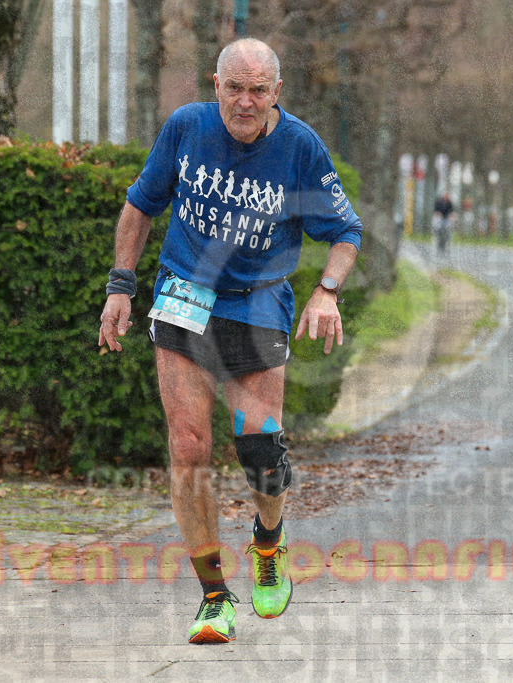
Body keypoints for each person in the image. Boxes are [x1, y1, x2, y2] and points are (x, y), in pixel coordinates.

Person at [97, 38, 362, 644]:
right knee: (188, 446)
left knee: (259, 447)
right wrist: (121, 286)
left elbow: (345, 230)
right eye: (234, 88)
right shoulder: (186, 128)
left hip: (259, 301)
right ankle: (214, 597)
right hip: (184, 295)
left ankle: (269, 543)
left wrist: (326, 291)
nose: (245, 102)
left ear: (277, 92)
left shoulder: (298, 146)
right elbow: (140, 204)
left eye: (258, 90)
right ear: (215, 83)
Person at [432, 191, 455, 255]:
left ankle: (447, 237)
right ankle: (437, 233)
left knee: (448, 226)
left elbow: (451, 212)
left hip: (446, 219)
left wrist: (452, 217)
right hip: (439, 219)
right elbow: (435, 212)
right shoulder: (438, 202)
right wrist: (438, 214)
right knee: (437, 222)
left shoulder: (449, 203)